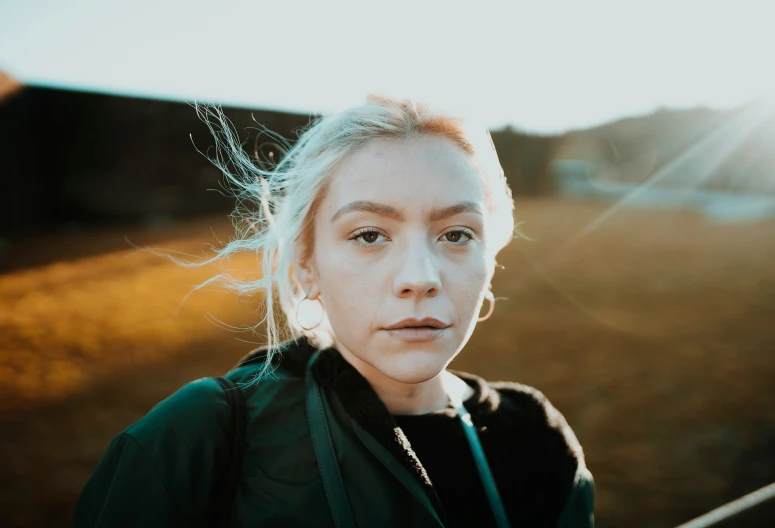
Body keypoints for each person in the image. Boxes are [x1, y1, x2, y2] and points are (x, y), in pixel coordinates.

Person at [73, 95, 595, 527]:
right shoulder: (199, 437)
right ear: (305, 266)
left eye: (457, 234)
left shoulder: (536, 439)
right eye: (369, 235)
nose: (420, 277)